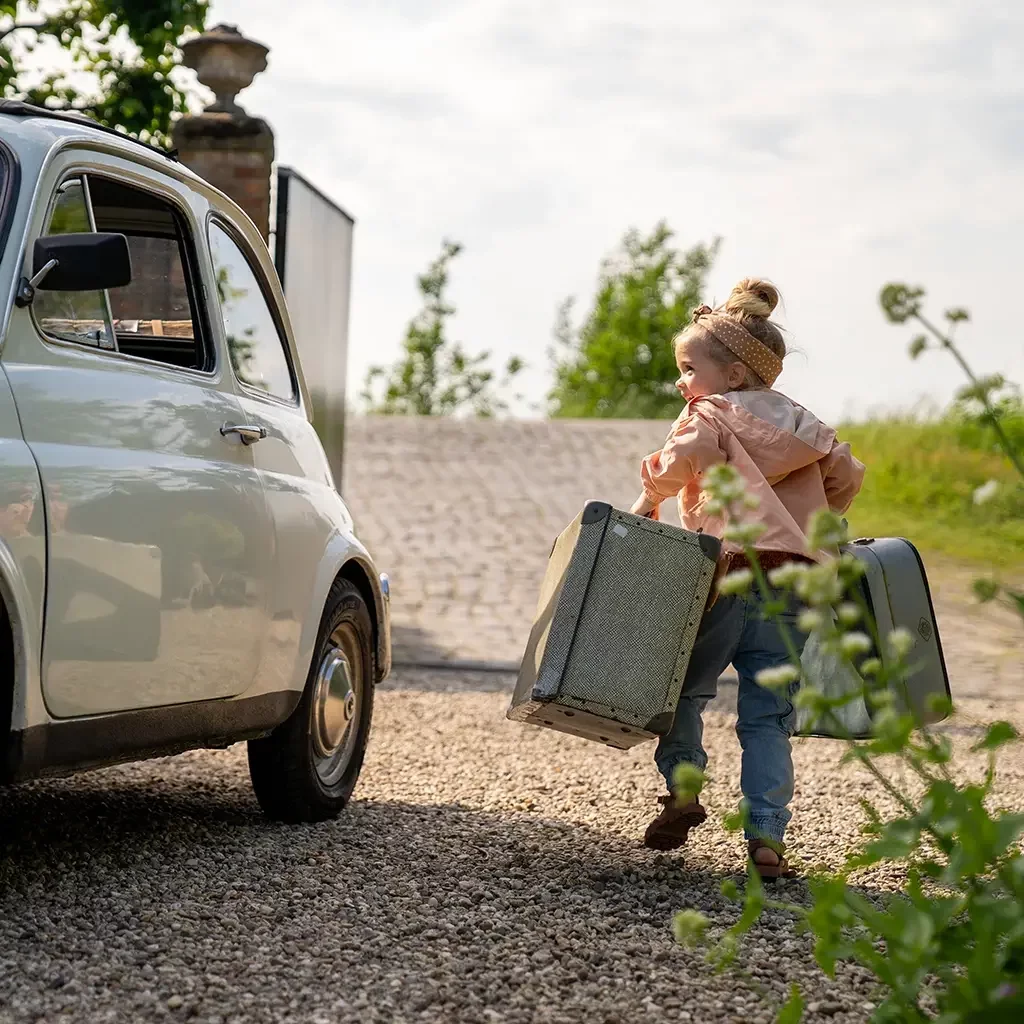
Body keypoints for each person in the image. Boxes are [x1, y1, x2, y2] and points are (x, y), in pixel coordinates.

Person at [630, 278, 864, 878]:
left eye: (688, 368)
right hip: (796, 579)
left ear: (734, 374)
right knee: (767, 717)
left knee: (684, 688)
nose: (682, 381)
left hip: (728, 571)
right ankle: (766, 838)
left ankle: (683, 788)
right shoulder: (807, 425)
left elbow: (678, 461)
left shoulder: (708, 412)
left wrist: (649, 495)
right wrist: (808, 515)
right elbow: (847, 478)